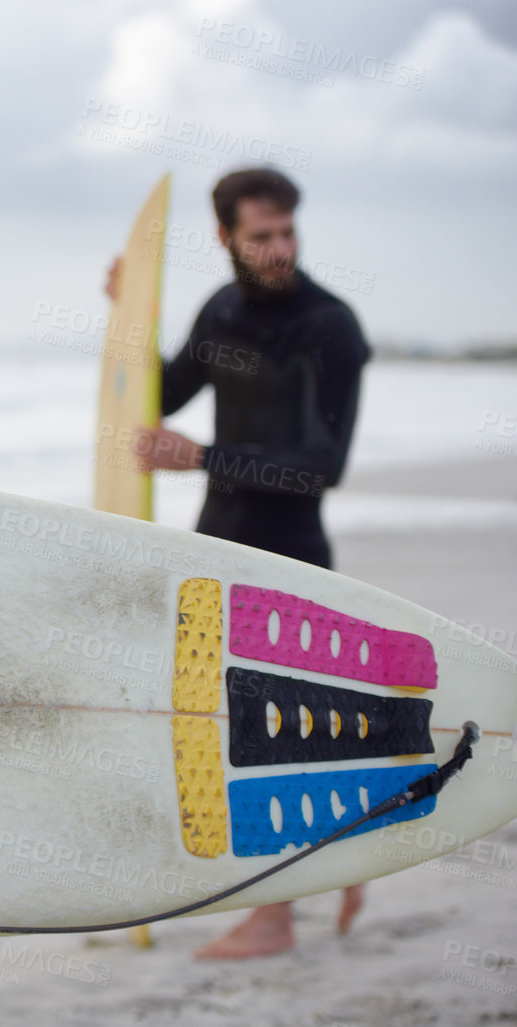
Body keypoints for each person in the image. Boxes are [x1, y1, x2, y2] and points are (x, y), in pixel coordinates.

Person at [105, 167, 371, 960]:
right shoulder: (221, 311)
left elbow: (323, 463)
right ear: (224, 237)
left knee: (267, 740)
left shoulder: (331, 326)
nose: (278, 248)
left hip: (291, 555)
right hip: (217, 546)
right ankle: (337, 865)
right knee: (226, 732)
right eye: (260, 235)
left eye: (286, 232)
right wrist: (124, 318)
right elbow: (162, 391)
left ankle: (275, 916)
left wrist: (203, 457)